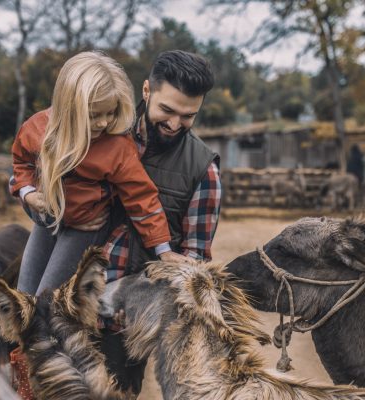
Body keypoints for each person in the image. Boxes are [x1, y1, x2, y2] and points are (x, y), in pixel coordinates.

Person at [10, 51, 186, 297]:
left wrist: (163, 248)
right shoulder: (37, 129)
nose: (104, 123)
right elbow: (22, 163)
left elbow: (142, 198)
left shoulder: (117, 147)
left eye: (111, 113)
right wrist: (28, 193)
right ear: (68, 107)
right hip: (48, 220)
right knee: (23, 293)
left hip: (84, 227)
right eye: (94, 115)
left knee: (45, 299)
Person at [98, 50, 222, 396]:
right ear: (147, 90)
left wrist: (140, 309)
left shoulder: (203, 170)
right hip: (70, 301)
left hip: (120, 324)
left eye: (188, 116)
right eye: (167, 110)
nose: (174, 124)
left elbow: (192, 263)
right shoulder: (104, 131)